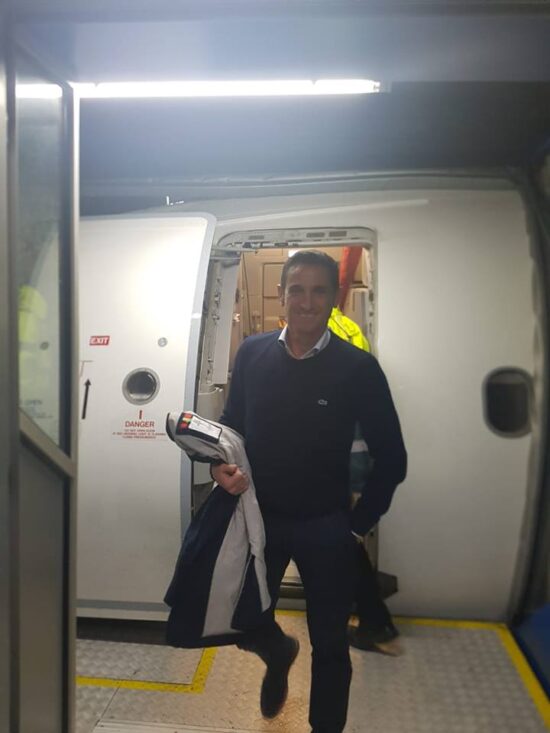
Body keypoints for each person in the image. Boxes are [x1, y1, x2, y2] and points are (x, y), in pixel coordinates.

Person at [212, 250, 407, 733]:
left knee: (331, 645)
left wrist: (357, 527)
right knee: (242, 620)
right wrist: (219, 467)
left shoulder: (358, 369)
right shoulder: (253, 354)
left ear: (334, 298)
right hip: (261, 520)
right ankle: (278, 651)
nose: (306, 302)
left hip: (327, 526)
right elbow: (231, 430)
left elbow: (393, 458)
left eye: (319, 291)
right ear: (281, 294)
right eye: (296, 290)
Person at [325, 308, 402, 655]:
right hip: (347, 474)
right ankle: (374, 621)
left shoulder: (336, 354)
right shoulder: (346, 326)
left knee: (344, 547)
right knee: (347, 548)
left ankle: (375, 623)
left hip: (340, 475)